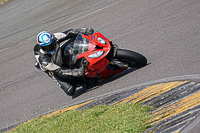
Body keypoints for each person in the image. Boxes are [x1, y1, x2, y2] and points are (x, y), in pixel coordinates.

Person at [34, 28, 94, 96]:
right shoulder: (43, 60)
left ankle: (90, 53)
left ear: (54, 40)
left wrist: (85, 30)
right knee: (70, 90)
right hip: (54, 69)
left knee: (75, 39)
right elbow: (60, 71)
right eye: (46, 48)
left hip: (58, 54)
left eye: (51, 45)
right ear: (41, 47)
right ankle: (80, 80)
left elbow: (69, 33)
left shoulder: (55, 37)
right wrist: (77, 72)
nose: (50, 49)